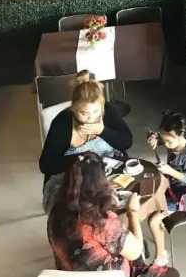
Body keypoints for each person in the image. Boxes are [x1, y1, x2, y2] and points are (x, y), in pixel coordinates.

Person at [47, 152, 180, 277]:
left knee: (136, 258)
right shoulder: (100, 222)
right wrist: (132, 212)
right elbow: (135, 249)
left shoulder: (55, 214)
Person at [40, 71, 133, 213]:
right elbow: (46, 165)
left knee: (127, 199)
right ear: (73, 108)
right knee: (84, 212)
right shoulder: (62, 123)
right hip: (72, 179)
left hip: (109, 173)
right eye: (84, 113)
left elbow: (127, 141)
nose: (91, 118)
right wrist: (81, 160)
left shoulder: (107, 110)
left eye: (96, 112)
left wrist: (103, 131)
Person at [148, 111, 186, 212]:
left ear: (181, 135)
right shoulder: (173, 140)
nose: (166, 144)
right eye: (164, 140)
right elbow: (161, 136)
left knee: (155, 216)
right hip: (170, 182)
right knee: (150, 192)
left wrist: (170, 171)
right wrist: (154, 137)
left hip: (182, 192)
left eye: (169, 141)